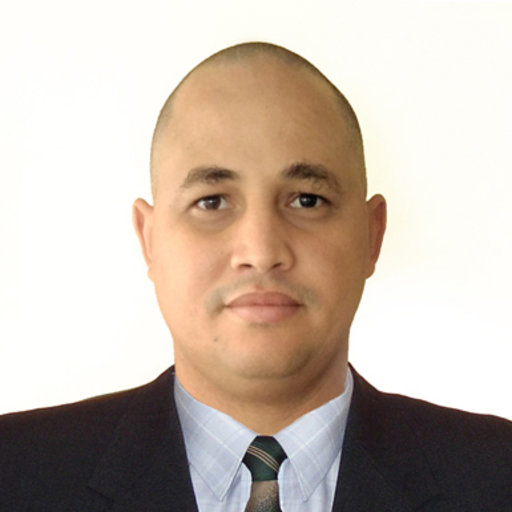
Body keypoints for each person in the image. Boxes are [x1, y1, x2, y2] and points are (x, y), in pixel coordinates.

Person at [1, 42, 510, 512]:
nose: (262, 253)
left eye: (307, 200)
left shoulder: (497, 476)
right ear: (149, 239)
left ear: (371, 235)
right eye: (211, 202)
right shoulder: (15, 473)